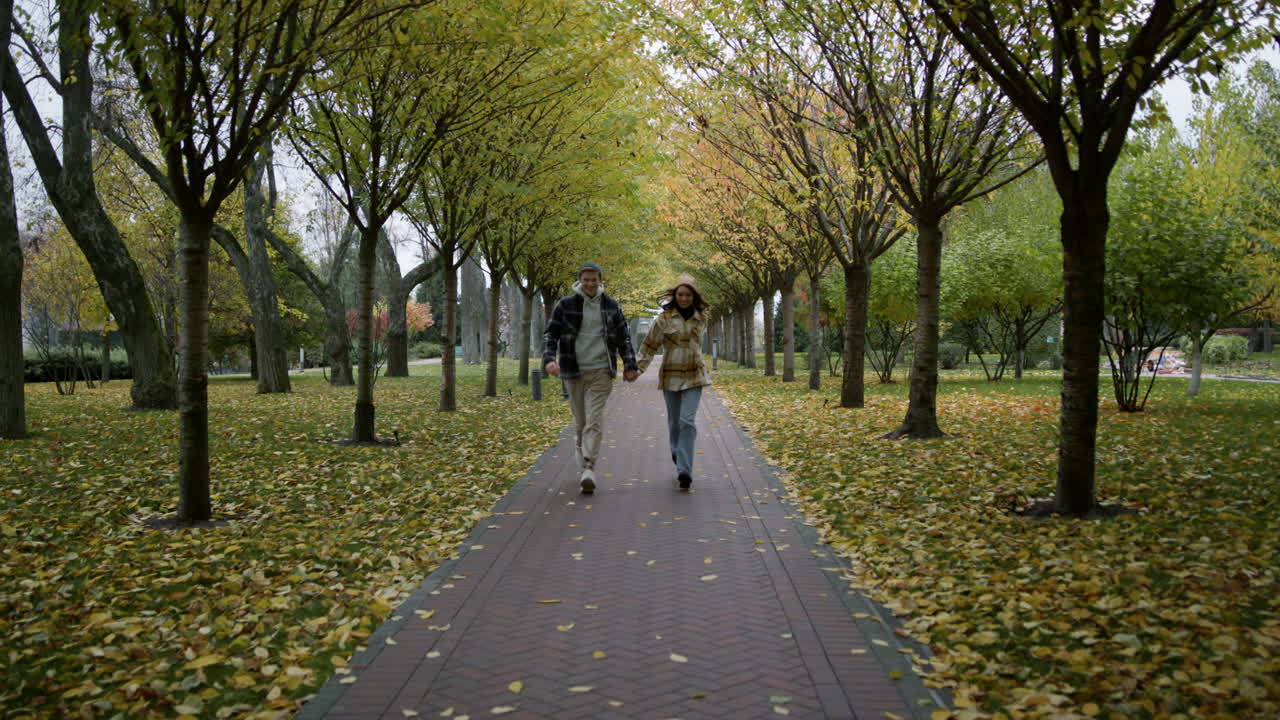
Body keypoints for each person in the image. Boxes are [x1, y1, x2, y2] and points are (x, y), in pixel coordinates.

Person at [543, 262, 639, 494]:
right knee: (581, 422)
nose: (590, 283)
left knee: (594, 420)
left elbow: (623, 337)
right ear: (580, 281)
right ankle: (582, 449)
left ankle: (589, 466)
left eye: (594, 279)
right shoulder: (565, 305)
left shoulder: (610, 305)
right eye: (586, 279)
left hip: (600, 370)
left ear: (600, 280)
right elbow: (551, 334)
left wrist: (629, 365)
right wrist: (548, 359)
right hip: (573, 370)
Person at [633, 275, 711, 491]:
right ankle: (678, 453)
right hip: (671, 374)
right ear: (675, 296)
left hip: (695, 374)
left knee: (688, 421)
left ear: (693, 297)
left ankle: (684, 470)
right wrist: (638, 369)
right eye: (680, 294)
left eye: (687, 295)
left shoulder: (701, 317)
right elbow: (649, 345)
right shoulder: (663, 319)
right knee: (675, 422)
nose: (684, 298)